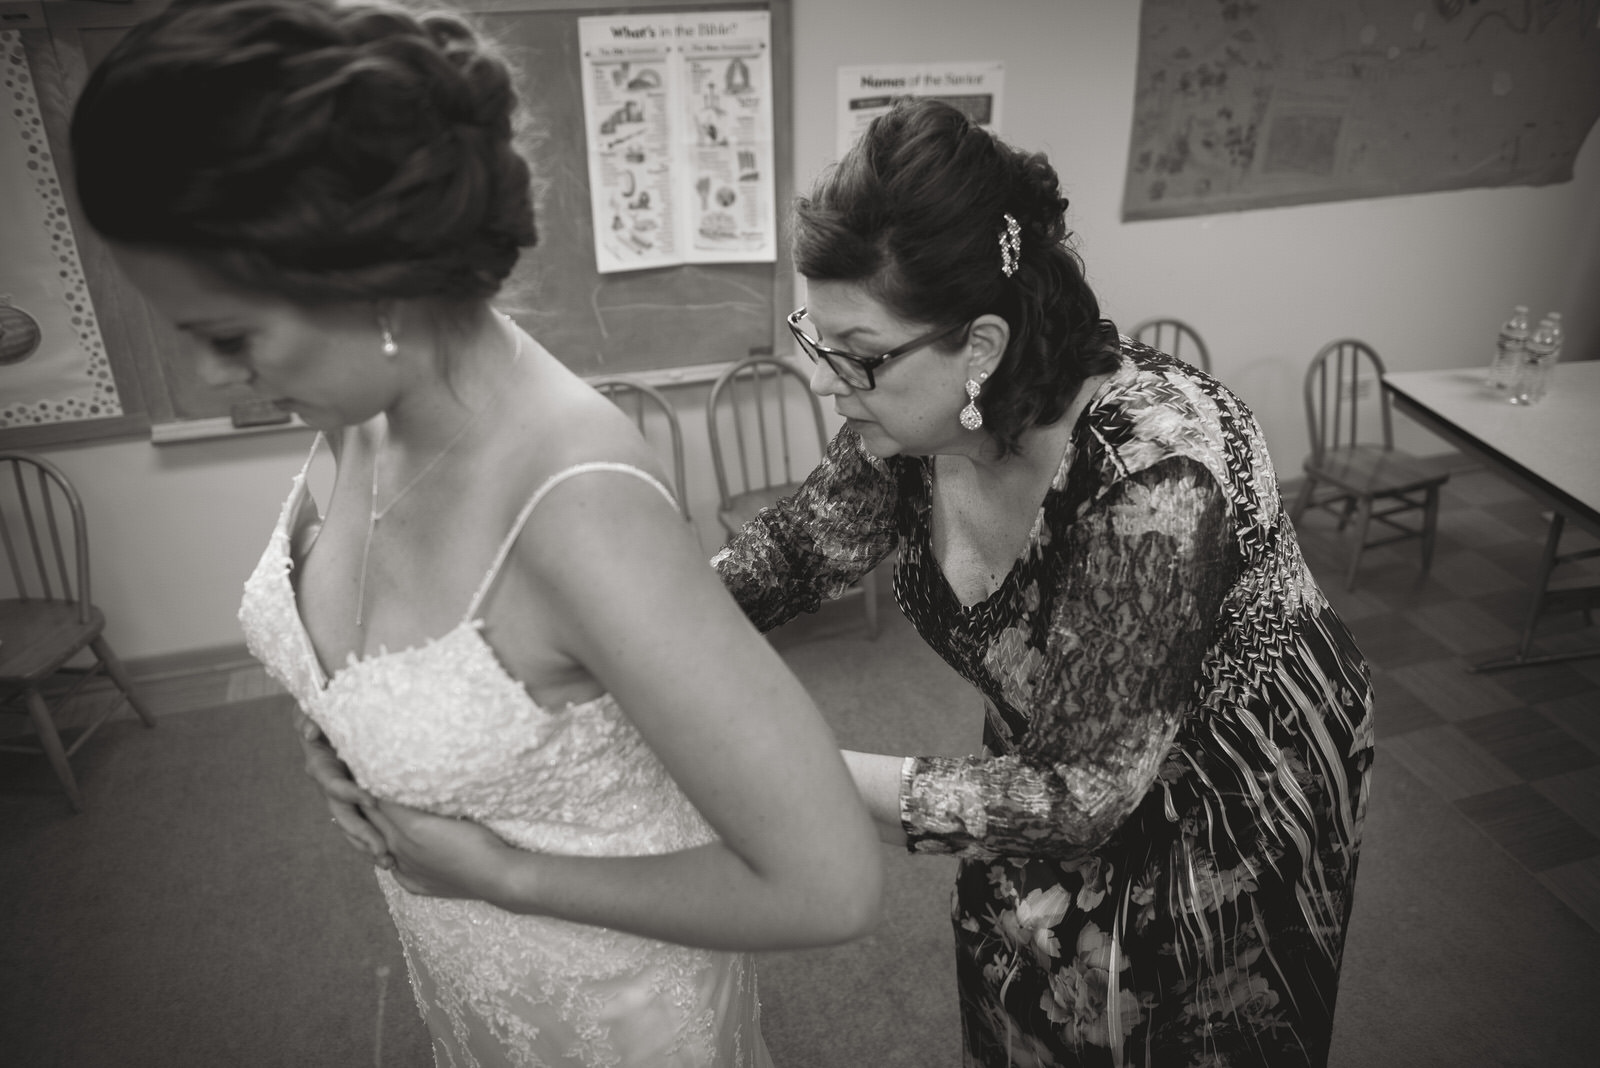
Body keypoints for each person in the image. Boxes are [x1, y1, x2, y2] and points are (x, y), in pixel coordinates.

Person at [69, 2, 881, 1065]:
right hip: (459, 961)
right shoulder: (363, 404)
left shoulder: (579, 507)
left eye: (228, 336)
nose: (210, 379)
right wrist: (353, 736)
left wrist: (504, 874)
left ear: (378, 282)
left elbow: (830, 885)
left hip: (607, 1006)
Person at [707, 98, 1374, 1067]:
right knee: (1025, 973)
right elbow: (792, 553)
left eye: (856, 357)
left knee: (1182, 1016)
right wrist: (632, 615)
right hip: (1060, 739)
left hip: (1230, 776)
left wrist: (788, 768)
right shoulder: (910, 422)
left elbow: (1082, 797)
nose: (825, 382)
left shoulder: (1156, 474)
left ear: (977, 346)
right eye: (820, 342)